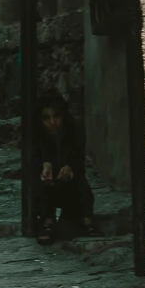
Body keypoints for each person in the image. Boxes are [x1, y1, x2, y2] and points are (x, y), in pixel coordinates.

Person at [34, 89, 94, 242]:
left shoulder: (75, 130)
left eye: (56, 116)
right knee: (43, 188)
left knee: (82, 186)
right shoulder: (39, 135)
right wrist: (46, 167)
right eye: (47, 118)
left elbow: (77, 158)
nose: (52, 122)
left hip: (72, 188)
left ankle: (88, 222)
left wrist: (69, 167)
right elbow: (40, 155)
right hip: (50, 188)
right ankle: (47, 221)